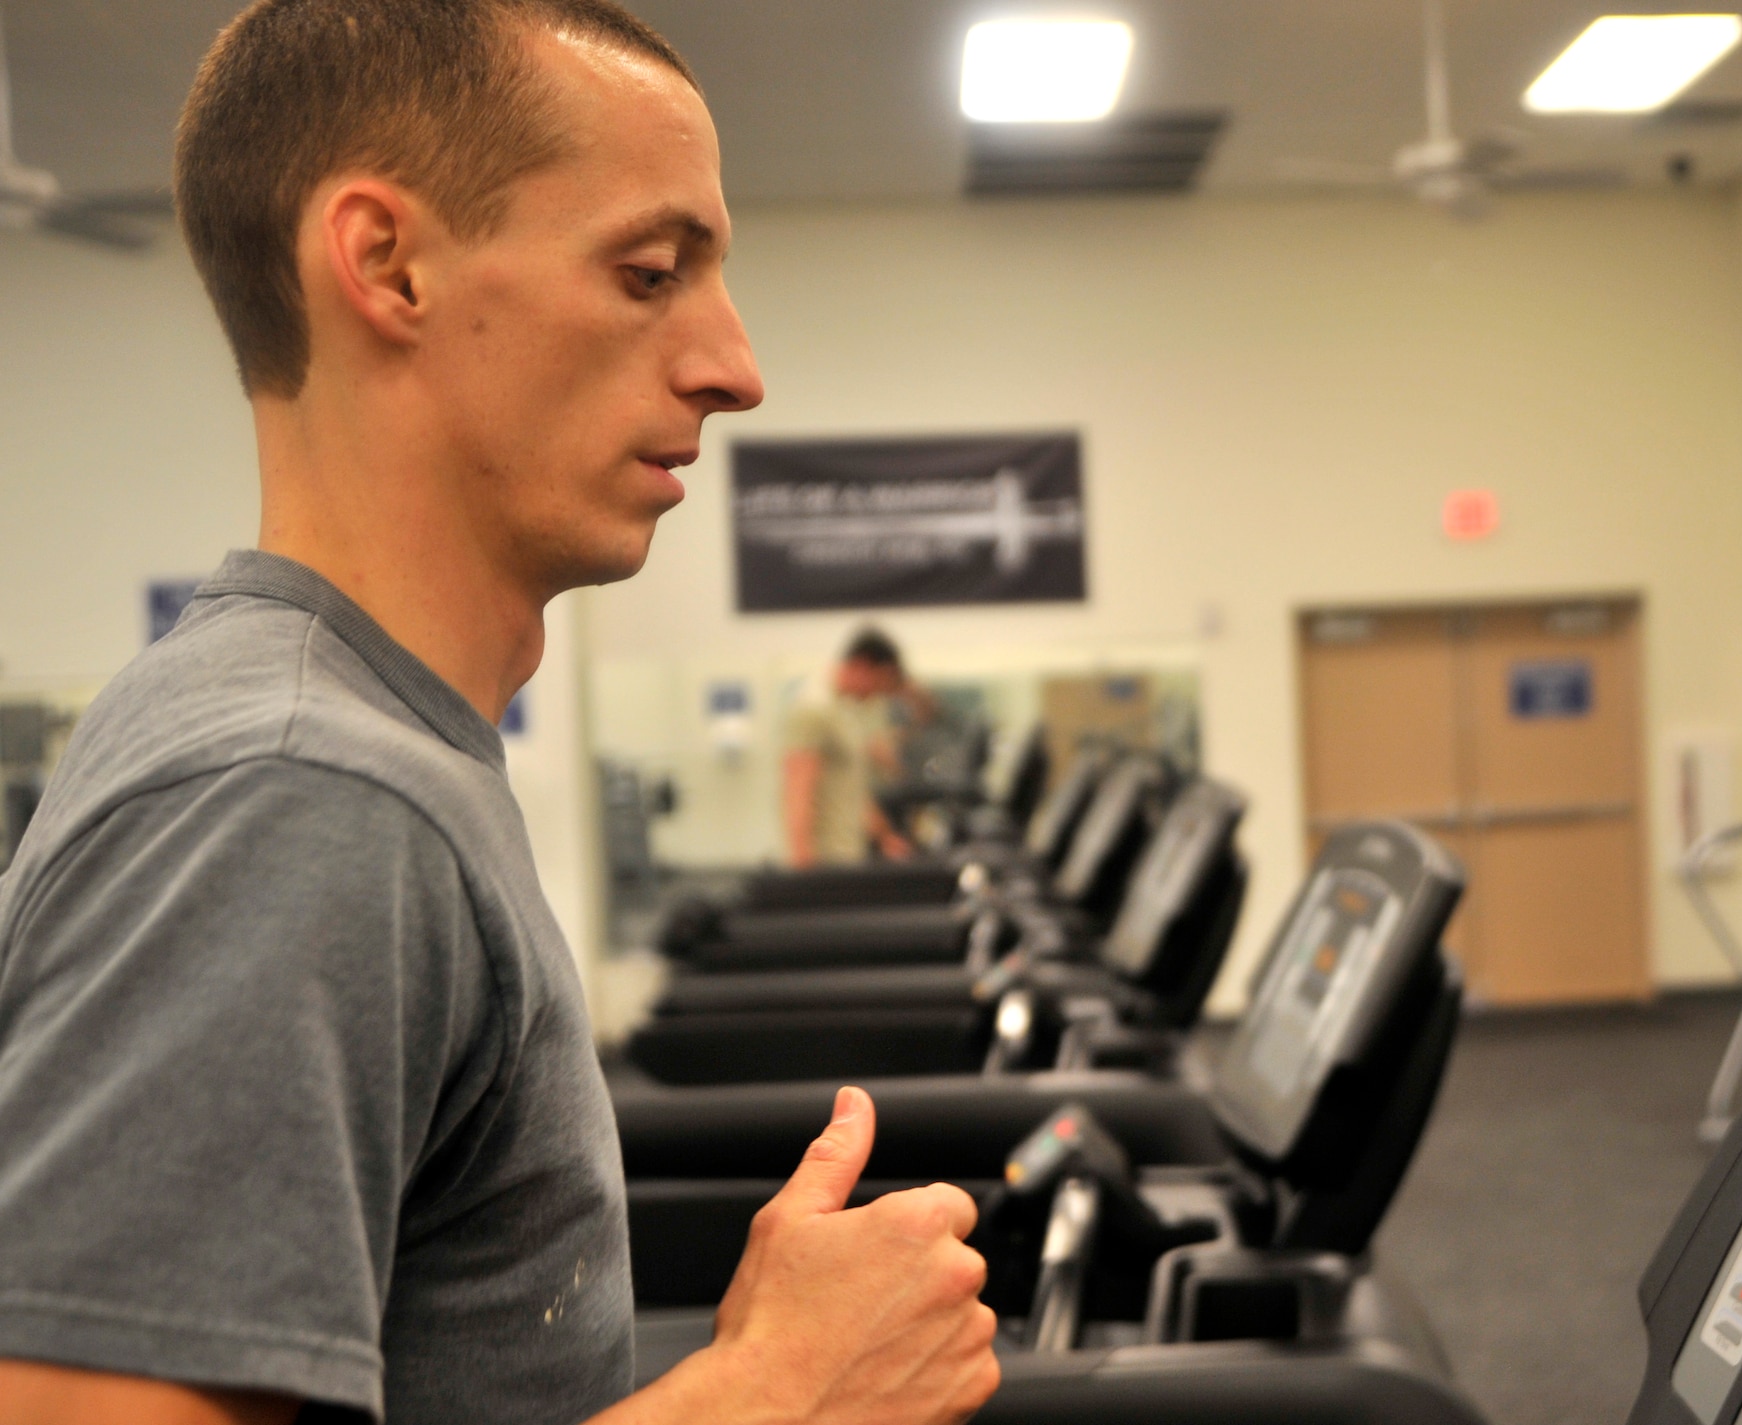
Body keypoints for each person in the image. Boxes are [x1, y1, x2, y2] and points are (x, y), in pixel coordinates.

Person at [0, 3, 999, 1423]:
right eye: (650, 272)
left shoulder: (343, 743)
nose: (734, 367)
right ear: (387, 264)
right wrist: (775, 1395)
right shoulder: (300, 794)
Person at [781, 627, 927, 866]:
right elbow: (797, 793)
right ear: (862, 665)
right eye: (880, 681)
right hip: (822, 862)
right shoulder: (812, 710)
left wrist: (885, 837)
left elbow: (853, 791)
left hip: (848, 855)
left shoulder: (847, 711)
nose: (878, 693)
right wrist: (802, 866)